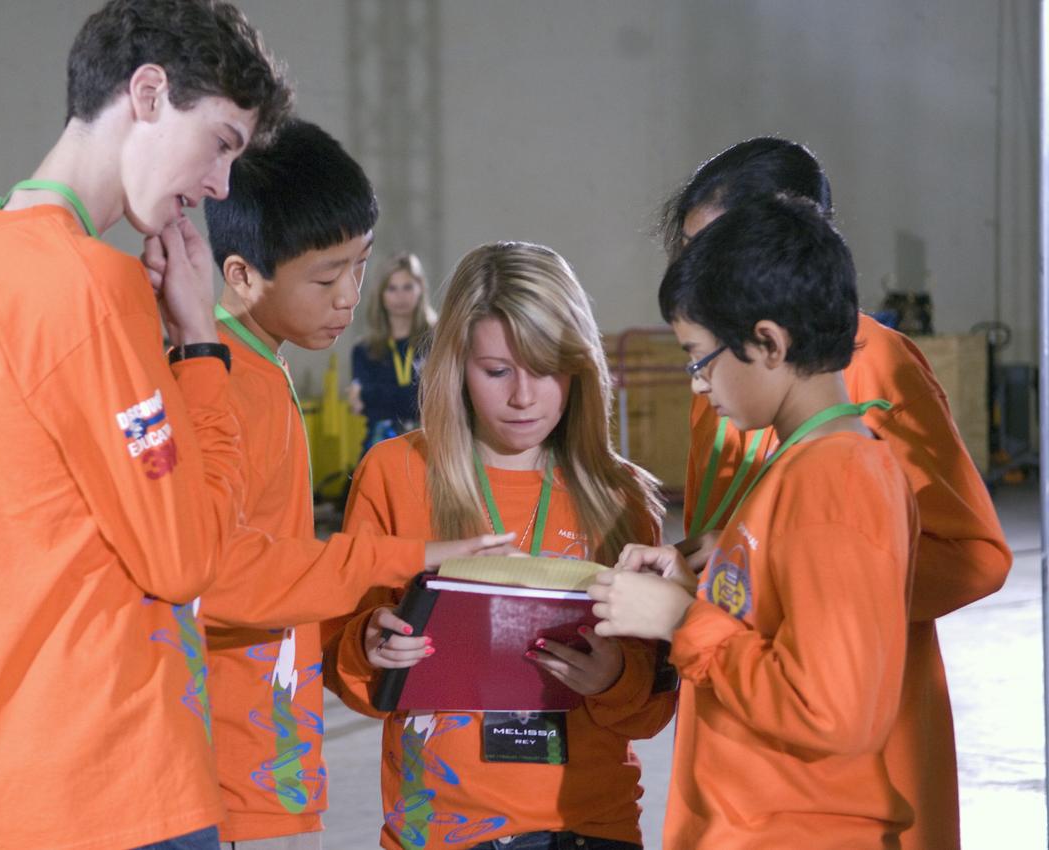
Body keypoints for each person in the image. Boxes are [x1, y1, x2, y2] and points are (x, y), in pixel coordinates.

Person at [0, 3, 294, 848]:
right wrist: (198, 349)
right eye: (221, 142)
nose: (220, 186)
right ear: (148, 92)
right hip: (109, 782)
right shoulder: (89, 286)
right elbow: (185, 559)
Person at [129, 119, 511, 850]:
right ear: (240, 274)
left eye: (360, 267)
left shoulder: (250, 368)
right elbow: (222, 574)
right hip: (225, 752)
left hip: (244, 739)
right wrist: (407, 555)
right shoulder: (232, 383)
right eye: (326, 277)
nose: (349, 296)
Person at [661, 137, 1010, 850]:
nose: (696, 273)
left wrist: (803, 593)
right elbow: (745, 546)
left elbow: (976, 554)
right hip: (744, 723)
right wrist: (718, 565)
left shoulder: (868, 362)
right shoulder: (727, 375)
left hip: (840, 735)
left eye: (714, 250)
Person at [592, 195, 919, 848]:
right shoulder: (809, 466)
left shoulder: (834, 479)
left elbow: (833, 711)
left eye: (699, 357)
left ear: (767, 342)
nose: (697, 384)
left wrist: (681, 622)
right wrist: (697, 590)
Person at [324, 242, 674, 850]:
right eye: (497, 371)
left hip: (587, 825)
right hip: (438, 829)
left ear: (580, 368)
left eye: (546, 369)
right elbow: (342, 666)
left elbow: (651, 708)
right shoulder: (395, 474)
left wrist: (614, 673)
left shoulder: (621, 497)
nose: (522, 397)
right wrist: (372, 647)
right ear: (456, 365)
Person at [347, 252, 437, 452]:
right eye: (392, 288)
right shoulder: (364, 349)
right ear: (381, 294)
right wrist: (416, 393)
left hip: (430, 443)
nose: (400, 296)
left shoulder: (437, 341)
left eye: (407, 287)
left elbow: (440, 400)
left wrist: (373, 395)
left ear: (420, 288)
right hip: (380, 444)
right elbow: (364, 408)